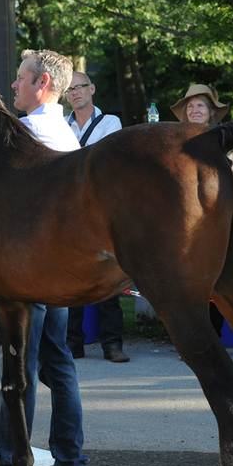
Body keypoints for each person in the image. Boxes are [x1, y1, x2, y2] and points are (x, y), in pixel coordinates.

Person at [0, 49, 88, 466]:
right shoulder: (65, 132)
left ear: (43, 83)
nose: (14, 84)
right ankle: (70, 462)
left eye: (21, 77)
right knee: (58, 362)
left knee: (21, 365)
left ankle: (8, 462)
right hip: (60, 268)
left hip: (30, 267)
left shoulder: (28, 132)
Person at [64, 72, 129, 362]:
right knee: (71, 274)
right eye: (69, 89)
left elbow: (104, 161)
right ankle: (73, 342)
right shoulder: (61, 125)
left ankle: (112, 343)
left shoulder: (110, 122)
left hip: (102, 206)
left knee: (107, 273)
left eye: (79, 87)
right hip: (68, 208)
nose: (74, 92)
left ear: (92, 88)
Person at [172, 83, 231, 338]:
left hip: (216, 216)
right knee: (185, 278)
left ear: (211, 112)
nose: (195, 110)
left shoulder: (224, 138)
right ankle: (189, 338)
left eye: (200, 106)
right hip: (182, 219)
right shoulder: (174, 140)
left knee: (215, 278)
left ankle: (213, 337)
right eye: (191, 106)